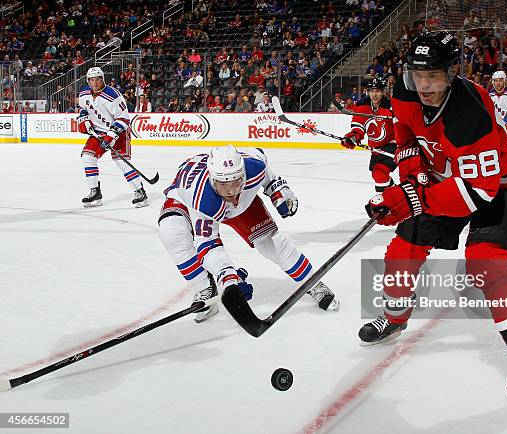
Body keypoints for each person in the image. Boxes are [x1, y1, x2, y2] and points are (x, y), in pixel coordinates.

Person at [360, 31, 507, 406]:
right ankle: (395, 318)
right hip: (446, 178)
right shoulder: (405, 92)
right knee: (402, 250)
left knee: (485, 265)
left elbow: (476, 193)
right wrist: (413, 167)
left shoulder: (470, 115)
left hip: (501, 185)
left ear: (451, 73)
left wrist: (409, 201)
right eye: (418, 76)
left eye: (434, 76)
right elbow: (405, 130)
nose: (425, 86)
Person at [158, 145, 339, 322]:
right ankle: (205, 289)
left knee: (271, 243)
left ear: (244, 174)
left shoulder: (254, 166)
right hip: (184, 198)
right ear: (213, 180)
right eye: (223, 184)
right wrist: (228, 279)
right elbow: (207, 244)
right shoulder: (201, 198)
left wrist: (278, 191)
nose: (231, 191)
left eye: (236, 182)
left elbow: (267, 172)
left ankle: (313, 282)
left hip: (238, 200)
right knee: (171, 233)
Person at [77, 67, 148, 208]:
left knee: (122, 162)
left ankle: (140, 192)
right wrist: (83, 118)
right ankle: (95, 192)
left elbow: (124, 119)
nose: (95, 82)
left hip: (119, 132)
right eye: (92, 79)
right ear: (88, 81)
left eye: (98, 79)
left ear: (103, 79)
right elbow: (83, 108)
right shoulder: (84, 93)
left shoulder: (113, 95)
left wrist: (111, 136)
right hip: (98, 132)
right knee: (88, 157)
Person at [341, 76, 397, 192]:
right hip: (376, 148)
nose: (374, 94)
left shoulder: (391, 107)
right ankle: (395, 195)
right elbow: (358, 127)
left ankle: (387, 202)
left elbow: (401, 127)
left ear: (383, 92)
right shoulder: (362, 106)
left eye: (377, 91)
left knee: (380, 172)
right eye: (371, 91)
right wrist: (352, 137)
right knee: (378, 175)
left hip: (392, 145)